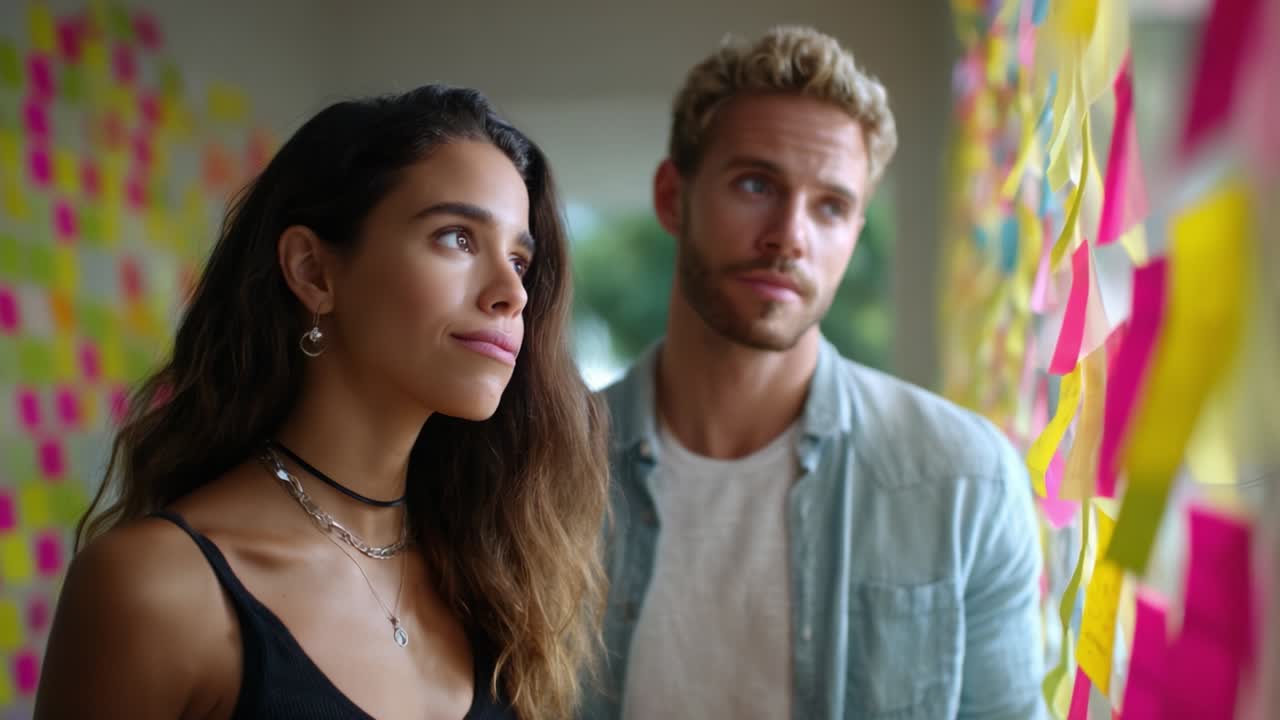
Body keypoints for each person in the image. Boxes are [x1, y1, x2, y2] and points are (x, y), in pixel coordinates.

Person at [36, 85, 609, 720]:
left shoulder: (493, 577)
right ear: (313, 271)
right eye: (456, 237)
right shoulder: (156, 590)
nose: (511, 293)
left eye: (520, 260)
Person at [582, 26, 1045, 719]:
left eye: (831, 205)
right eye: (755, 184)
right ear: (672, 197)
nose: (790, 235)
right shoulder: (545, 470)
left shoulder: (964, 481)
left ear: (857, 231)